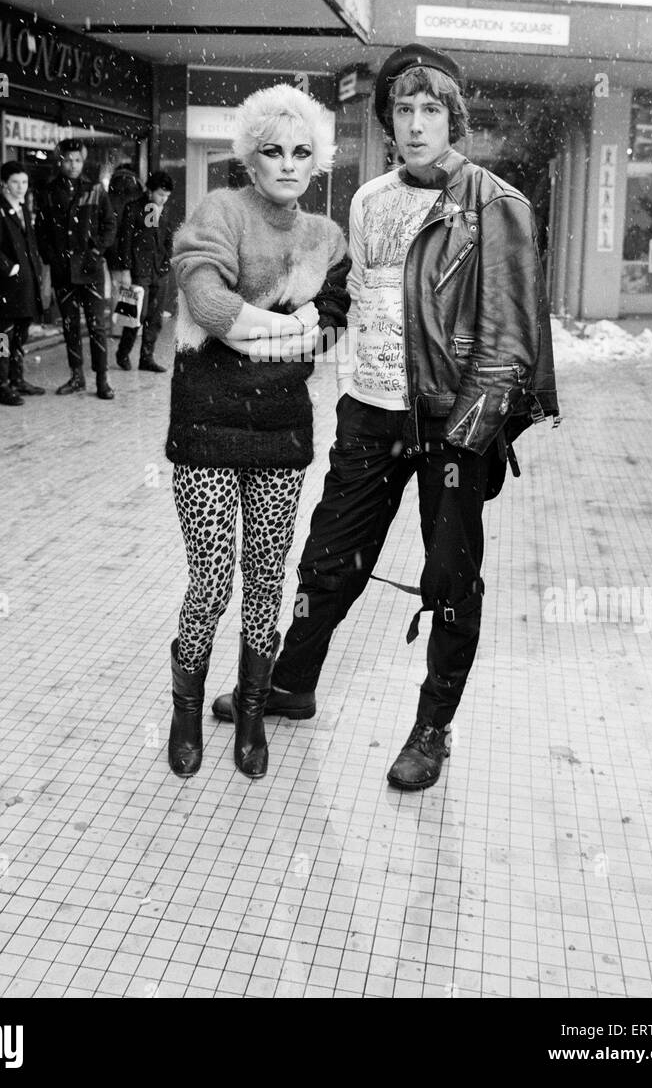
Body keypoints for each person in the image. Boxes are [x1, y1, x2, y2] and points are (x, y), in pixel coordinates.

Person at [212, 45, 560, 791]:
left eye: (430, 110)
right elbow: (353, 303)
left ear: (453, 118)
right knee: (329, 557)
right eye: (402, 110)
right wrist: (268, 345)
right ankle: (291, 683)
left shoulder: (493, 205)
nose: (414, 124)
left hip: (447, 423)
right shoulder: (368, 199)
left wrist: (461, 440)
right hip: (368, 413)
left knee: (449, 578)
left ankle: (431, 730)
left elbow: (508, 342)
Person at [165, 83, 350, 781]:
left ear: (317, 160)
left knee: (267, 577)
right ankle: (185, 712)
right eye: (272, 151)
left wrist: (258, 331)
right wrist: (281, 329)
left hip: (279, 433)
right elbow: (212, 307)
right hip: (207, 430)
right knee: (211, 580)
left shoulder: (326, 238)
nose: (287, 165)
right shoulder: (217, 212)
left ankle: (249, 712)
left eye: (301, 153)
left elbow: (327, 331)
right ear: (249, 155)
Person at [35, 137, 117, 401]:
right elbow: (41, 231)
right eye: (68, 160)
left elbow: (109, 226)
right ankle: (77, 377)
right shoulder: (48, 192)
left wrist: (96, 250)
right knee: (69, 326)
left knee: (97, 327)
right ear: (61, 161)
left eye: (77, 160)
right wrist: (51, 256)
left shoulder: (95, 190)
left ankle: (102, 379)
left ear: (83, 162)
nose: (72, 165)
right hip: (62, 270)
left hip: (90, 269)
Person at [0, 160, 46, 406]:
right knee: (1, 337)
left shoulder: (23, 209)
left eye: (24, 182)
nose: (20, 187)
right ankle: (1, 385)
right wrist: (10, 267)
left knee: (20, 335)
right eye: (15, 182)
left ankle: (17, 380)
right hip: (7, 286)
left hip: (26, 286)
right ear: (4, 184)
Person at [114, 170, 174, 373]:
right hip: (139, 270)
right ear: (149, 191)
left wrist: (167, 262)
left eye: (166, 196)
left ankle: (146, 358)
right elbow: (125, 240)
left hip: (159, 269)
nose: (163, 199)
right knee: (135, 315)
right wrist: (125, 269)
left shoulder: (163, 209)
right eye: (160, 195)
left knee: (155, 318)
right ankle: (123, 353)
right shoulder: (133, 208)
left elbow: (167, 237)